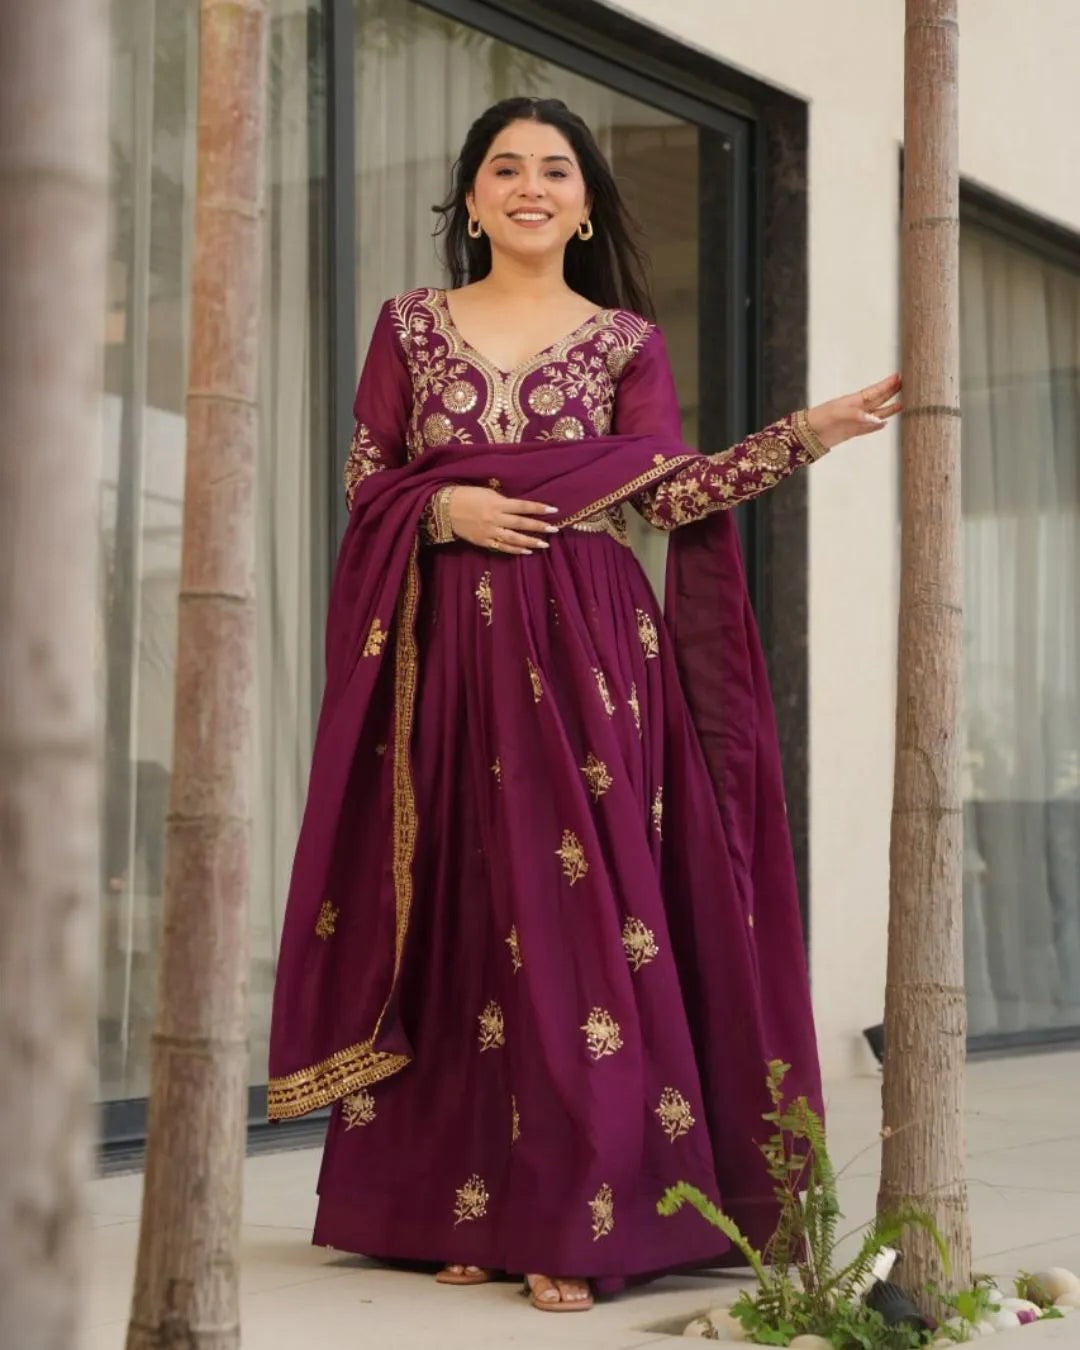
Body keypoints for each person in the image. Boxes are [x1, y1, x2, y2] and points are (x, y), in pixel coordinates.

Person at [268, 96, 900, 1314]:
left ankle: (577, 1211)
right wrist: (440, 507)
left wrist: (805, 435)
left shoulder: (624, 343)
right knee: (456, 909)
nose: (530, 186)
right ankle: (453, 1204)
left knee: (576, 919)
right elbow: (366, 485)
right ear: (468, 199)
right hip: (446, 657)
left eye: (556, 170)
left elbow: (667, 496)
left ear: (589, 206)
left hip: (589, 661)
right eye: (504, 168)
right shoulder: (408, 327)